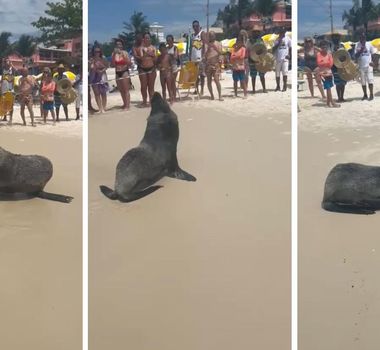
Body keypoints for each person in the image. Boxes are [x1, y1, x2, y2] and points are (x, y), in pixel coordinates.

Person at [135, 32, 157, 107]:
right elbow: (142, 58)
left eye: (148, 38)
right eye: (145, 38)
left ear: (150, 39)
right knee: (143, 86)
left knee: (151, 87)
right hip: (143, 68)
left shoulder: (153, 47)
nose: (147, 39)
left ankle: (151, 101)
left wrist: (149, 54)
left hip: (151, 68)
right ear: (143, 39)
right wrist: (149, 54)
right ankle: (144, 101)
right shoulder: (141, 48)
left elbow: (155, 58)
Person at [316, 41, 340, 108]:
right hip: (322, 73)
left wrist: (324, 64)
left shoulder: (329, 54)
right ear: (320, 47)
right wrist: (324, 65)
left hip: (329, 73)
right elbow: (319, 63)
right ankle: (332, 102)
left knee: (329, 87)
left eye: (325, 46)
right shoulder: (318, 54)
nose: (324, 48)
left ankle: (328, 103)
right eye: (322, 47)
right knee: (328, 88)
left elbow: (331, 64)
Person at [111, 38, 131, 110]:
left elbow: (129, 63)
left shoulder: (125, 53)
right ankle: (124, 103)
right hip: (117, 72)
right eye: (117, 44)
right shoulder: (113, 54)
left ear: (122, 45)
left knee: (126, 90)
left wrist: (122, 55)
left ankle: (127, 105)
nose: (118, 46)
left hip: (124, 71)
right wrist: (114, 56)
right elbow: (112, 65)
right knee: (121, 90)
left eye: (120, 44)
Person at [355, 32, 375, 101]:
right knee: (363, 81)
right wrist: (361, 50)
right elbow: (355, 56)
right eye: (361, 37)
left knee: (370, 80)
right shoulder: (357, 45)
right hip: (361, 66)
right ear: (359, 38)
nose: (362, 39)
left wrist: (373, 62)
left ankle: (371, 94)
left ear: (365, 37)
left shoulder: (369, 44)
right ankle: (365, 95)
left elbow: (373, 54)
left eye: (364, 37)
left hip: (369, 65)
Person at [89, 46, 109, 113]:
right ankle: (100, 108)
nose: (97, 53)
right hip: (94, 76)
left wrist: (101, 71)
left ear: (100, 52)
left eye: (98, 51)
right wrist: (93, 65)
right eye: (95, 51)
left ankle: (104, 107)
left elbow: (107, 66)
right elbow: (90, 68)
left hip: (102, 75)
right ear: (93, 52)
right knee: (96, 93)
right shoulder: (91, 59)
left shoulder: (103, 58)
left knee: (103, 92)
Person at [204, 31, 223, 101]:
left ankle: (220, 95)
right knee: (209, 81)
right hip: (208, 64)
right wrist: (208, 50)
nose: (211, 37)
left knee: (216, 80)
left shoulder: (218, 43)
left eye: (212, 35)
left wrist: (214, 48)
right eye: (210, 35)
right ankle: (212, 95)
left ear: (214, 36)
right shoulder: (206, 45)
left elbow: (221, 53)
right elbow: (205, 56)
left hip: (216, 64)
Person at [247, 29, 267, 93]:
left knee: (262, 75)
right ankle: (253, 89)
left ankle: (264, 88)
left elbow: (264, 49)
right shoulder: (249, 41)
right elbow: (247, 50)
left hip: (260, 59)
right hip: (252, 59)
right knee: (253, 76)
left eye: (257, 32)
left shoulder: (261, 40)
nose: (256, 33)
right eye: (254, 32)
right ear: (252, 33)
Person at [190, 20, 207, 95]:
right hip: (194, 58)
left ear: (199, 25)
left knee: (202, 75)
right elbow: (191, 47)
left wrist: (203, 56)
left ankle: (202, 90)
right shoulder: (193, 35)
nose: (195, 27)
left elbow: (205, 45)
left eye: (197, 25)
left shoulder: (202, 33)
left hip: (200, 58)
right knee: (195, 75)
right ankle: (196, 89)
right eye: (194, 26)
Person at [331, 34, 347, 102]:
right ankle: (338, 97)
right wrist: (334, 52)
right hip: (334, 67)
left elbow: (346, 55)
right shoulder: (330, 46)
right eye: (334, 37)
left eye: (337, 37)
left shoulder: (342, 46)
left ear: (339, 38)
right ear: (332, 38)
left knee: (343, 82)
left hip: (343, 66)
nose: (336, 38)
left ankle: (342, 97)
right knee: (337, 83)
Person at [166, 34, 180, 100]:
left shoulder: (175, 48)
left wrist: (170, 55)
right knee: (169, 83)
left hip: (174, 67)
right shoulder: (166, 48)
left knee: (173, 83)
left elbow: (176, 57)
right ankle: (172, 96)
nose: (169, 41)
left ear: (172, 40)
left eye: (170, 40)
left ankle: (174, 96)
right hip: (168, 68)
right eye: (168, 40)